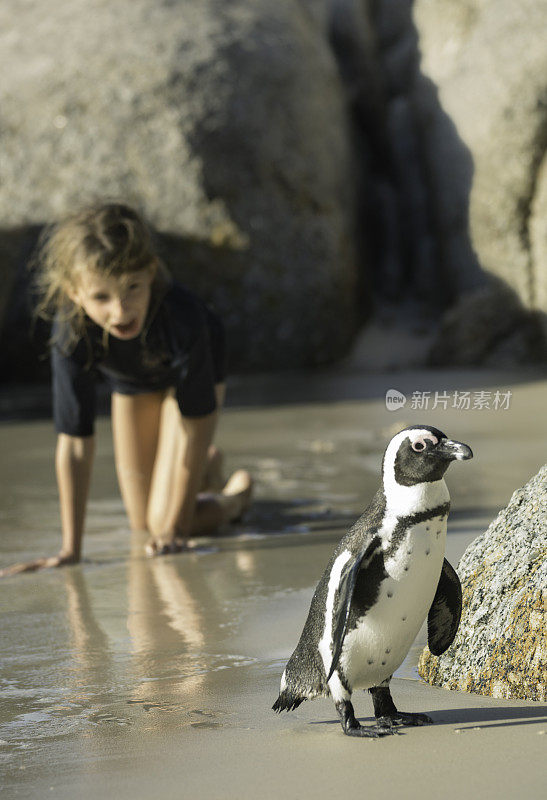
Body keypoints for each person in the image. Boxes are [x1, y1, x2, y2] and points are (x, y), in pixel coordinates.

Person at [3, 201, 252, 574]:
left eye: (132, 288)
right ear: (73, 292)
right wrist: (71, 549)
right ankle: (208, 470)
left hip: (190, 387)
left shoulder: (183, 318)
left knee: (163, 527)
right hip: (133, 384)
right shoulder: (71, 333)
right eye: (101, 297)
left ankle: (235, 498)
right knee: (141, 527)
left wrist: (173, 527)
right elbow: (73, 444)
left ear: (151, 271)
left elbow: (195, 417)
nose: (120, 311)